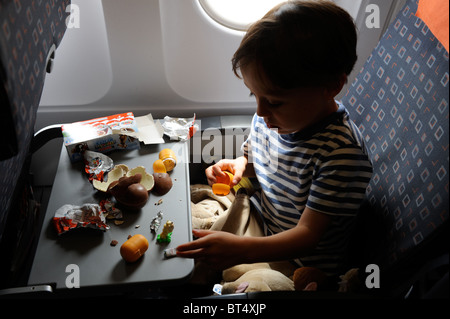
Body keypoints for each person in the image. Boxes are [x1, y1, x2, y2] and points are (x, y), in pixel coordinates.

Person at [177, 0, 373, 278]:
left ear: (332, 87)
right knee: (184, 223)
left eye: (274, 101)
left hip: (294, 258)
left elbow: (307, 235)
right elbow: (255, 160)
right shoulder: (273, 117)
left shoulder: (341, 153)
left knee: (254, 282)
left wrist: (242, 249)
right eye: (253, 95)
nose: (259, 111)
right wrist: (238, 166)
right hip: (259, 215)